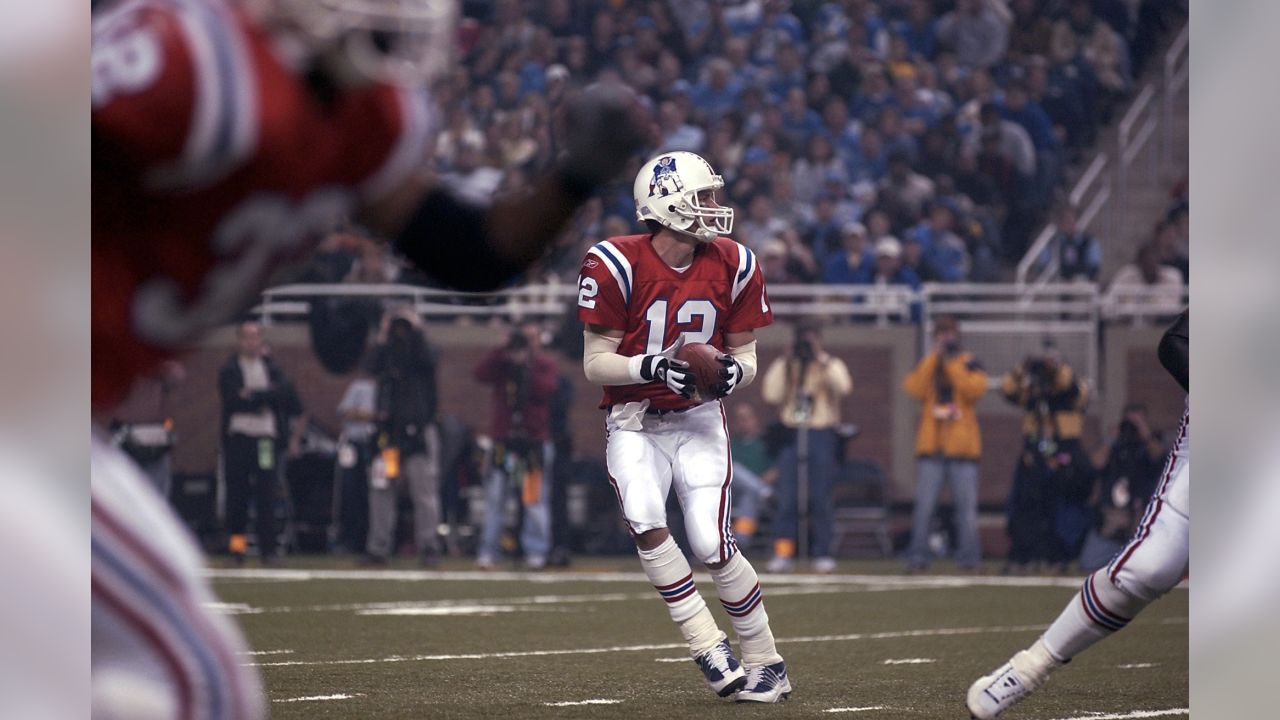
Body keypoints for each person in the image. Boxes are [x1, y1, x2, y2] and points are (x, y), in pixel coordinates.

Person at [92, 1, 642, 711]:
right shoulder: (190, 54)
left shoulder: (364, 118)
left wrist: (575, 177)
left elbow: (467, 252)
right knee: (195, 679)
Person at [576, 151, 789, 703]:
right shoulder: (615, 262)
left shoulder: (736, 261)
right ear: (667, 204)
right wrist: (650, 366)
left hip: (695, 418)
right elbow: (595, 362)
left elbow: (747, 356)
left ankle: (767, 661)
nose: (715, 208)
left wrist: (728, 376)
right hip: (633, 419)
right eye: (704, 197)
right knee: (646, 521)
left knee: (710, 542)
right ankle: (707, 644)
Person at [967, 308, 1188, 719]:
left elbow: (1073, 390)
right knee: (1151, 566)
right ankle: (1030, 667)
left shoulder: (1067, 383)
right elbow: (1177, 342)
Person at [760, 322, 853, 574]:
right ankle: (783, 553)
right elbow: (771, 395)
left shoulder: (829, 364)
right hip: (792, 432)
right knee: (788, 498)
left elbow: (843, 387)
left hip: (821, 432)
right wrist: (786, 361)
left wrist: (821, 359)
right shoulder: (788, 365)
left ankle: (823, 553)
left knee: (821, 497)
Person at [902, 316, 988, 573]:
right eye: (941, 333)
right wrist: (934, 358)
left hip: (962, 448)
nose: (946, 338)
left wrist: (951, 363)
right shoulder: (929, 363)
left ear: (957, 335)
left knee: (966, 510)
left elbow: (975, 390)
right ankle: (918, 557)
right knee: (925, 508)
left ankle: (969, 559)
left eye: (949, 333)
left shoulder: (969, 362)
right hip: (933, 447)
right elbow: (914, 388)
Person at [999, 344, 1093, 574]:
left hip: (1063, 450)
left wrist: (1056, 366)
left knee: (1059, 509)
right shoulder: (1033, 390)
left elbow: (1071, 388)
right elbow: (1007, 390)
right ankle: (1023, 557)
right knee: (1026, 506)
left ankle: (1057, 558)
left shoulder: (1071, 389)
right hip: (1035, 452)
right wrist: (1024, 367)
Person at [474, 321, 560, 570]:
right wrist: (502, 350)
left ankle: (536, 551)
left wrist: (527, 365)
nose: (526, 344)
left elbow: (545, 391)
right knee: (496, 498)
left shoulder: (544, 365)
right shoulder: (503, 364)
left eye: (531, 339)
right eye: (523, 339)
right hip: (504, 442)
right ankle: (488, 551)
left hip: (533, 443)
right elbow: (480, 374)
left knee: (534, 500)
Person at [217, 321, 305, 565]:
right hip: (238, 439)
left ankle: (268, 551)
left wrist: (253, 395)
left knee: (266, 492)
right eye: (246, 337)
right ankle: (237, 549)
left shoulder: (272, 368)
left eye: (255, 337)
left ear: (261, 340)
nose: (251, 342)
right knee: (238, 495)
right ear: (239, 340)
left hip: (265, 440)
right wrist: (263, 397)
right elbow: (232, 400)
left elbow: (285, 395)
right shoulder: (230, 370)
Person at [364, 308, 442, 566]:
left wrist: (416, 330)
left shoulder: (421, 349)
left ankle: (429, 546)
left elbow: (430, 359)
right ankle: (378, 547)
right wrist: (383, 334)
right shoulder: (387, 352)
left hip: (418, 431)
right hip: (389, 434)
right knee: (382, 489)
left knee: (424, 492)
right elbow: (369, 367)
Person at [1078, 403, 1165, 572]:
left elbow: (1161, 459)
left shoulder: (1148, 445)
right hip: (1108, 522)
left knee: (1149, 571)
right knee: (1089, 565)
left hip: (1139, 522)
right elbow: (1095, 463)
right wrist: (1111, 438)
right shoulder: (1113, 445)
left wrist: (1144, 431)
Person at [333, 363, 379, 554]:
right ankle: (348, 538)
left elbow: (382, 416)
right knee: (349, 489)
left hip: (374, 446)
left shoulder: (385, 389)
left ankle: (368, 538)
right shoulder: (358, 387)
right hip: (353, 444)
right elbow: (344, 411)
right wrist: (366, 415)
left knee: (372, 492)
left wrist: (366, 415)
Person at [727, 403, 776, 551]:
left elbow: (775, 470)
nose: (743, 422)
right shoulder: (730, 444)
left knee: (749, 496)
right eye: (739, 419)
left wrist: (764, 480)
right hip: (731, 493)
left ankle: (739, 542)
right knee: (733, 467)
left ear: (754, 420)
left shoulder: (764, 444)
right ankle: (763, 491)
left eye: (746, 418)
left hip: (756, 496)